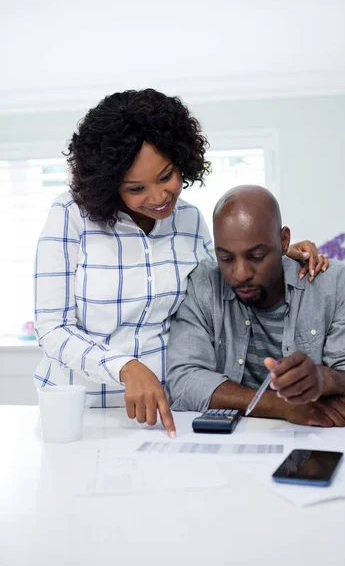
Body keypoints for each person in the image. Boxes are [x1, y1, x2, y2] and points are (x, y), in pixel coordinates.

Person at [34, 89, 328, 438]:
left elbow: (222, 282)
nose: (159, 197)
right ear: (109, 185)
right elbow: (52, 328)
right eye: (136, 188)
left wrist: (276, 253)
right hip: (83, 414)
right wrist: (125, 367)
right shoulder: (71, 215)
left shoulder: (190, 220)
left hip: (168, 413)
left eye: (166, 176)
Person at [166, 185, 345, 427]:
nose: (240, 273)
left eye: (256, 256)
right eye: (226, 258)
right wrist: (283, 406)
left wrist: (325, 379)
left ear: (284, 240)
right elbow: (183, 381)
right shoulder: (204, 286)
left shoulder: (334, 284)